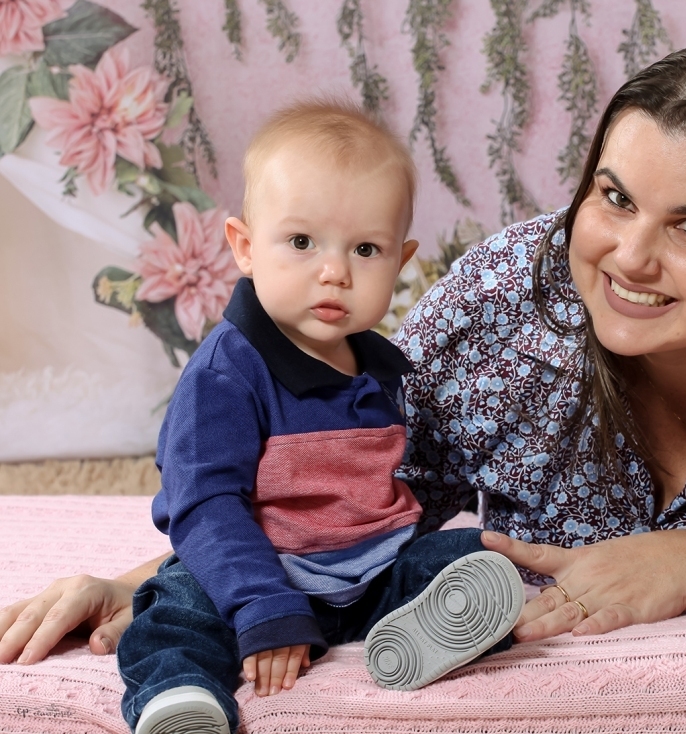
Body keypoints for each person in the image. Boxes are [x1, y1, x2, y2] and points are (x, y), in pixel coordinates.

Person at [0, 44, 686, 670]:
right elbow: (353, 492)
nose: (629, 257)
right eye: (612, 198)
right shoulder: (503, 306)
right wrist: (159, 581)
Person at [110, 98, 524, 734]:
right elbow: (203, 506)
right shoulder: (226, 373)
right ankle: (181, 695)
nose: (335, 272)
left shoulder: (380, 368)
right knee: (175, 607)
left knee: (468, 553)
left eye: (366, 249)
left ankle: (415, 637)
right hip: (258, 574)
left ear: (401, 263)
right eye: (301, 242)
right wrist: (263, 605)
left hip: (370, 573)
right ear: (245, 247)